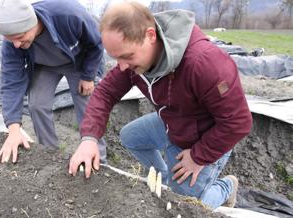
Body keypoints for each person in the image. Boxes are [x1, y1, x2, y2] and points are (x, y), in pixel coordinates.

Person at [69, 2, 252, 209]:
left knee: (184, 206)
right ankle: (164, 178)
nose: (121, 66)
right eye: (115, 58)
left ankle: (226, 187)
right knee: (131, 137)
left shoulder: (205, 63)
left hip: (203, 137)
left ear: (150, 35)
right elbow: (105, 92)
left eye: (127, 56)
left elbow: (239, 122)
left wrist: (198, 157)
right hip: (174, 121)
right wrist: (89, 138)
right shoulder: (134, 60)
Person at [0, 0, 107, 163]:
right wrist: (13, 129)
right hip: (44, 65)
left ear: (32, 23)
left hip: (78, 61)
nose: (16, 44)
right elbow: (11, 82)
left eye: (20, 37)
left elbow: (96, 43)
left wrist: (89, 76)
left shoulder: (68, 14)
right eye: (11, 40)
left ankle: (99, 159)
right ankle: (50, 154)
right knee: (37, 105)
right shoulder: (12, 43)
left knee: (87, 103)